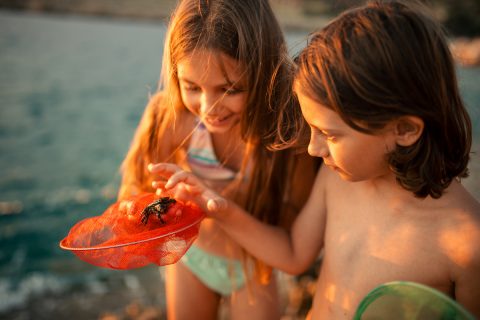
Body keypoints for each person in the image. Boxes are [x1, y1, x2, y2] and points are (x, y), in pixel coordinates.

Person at [150, 1, 480, 319]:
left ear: (405, 129)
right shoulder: (337, 180)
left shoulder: (468, 246)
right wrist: (218, 208)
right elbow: (293, 256)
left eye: (330, 135)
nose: (313, 150)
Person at [118, 0, 319, 318]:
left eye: (229, 89)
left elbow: (292, 223)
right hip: (193, 258)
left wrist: (224, 203)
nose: (209, 107)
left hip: (254, 266)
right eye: (192, 87)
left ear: (265, 72)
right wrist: (145, 207)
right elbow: (134, 188)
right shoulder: (171, 118)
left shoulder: (287, 132)